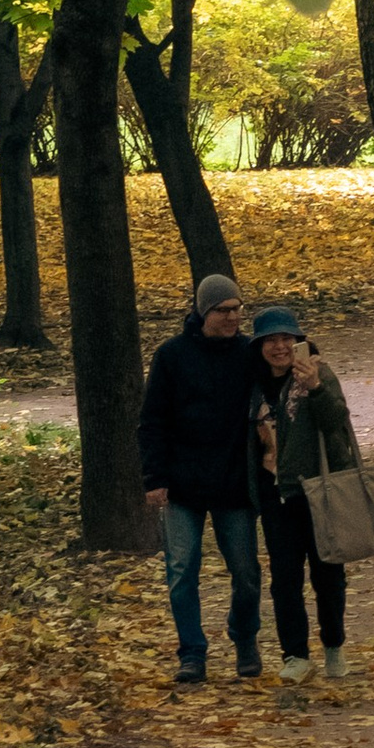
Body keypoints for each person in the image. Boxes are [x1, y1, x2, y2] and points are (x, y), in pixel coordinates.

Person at [140, 273, 263, 685]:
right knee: (181, 571)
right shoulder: (172, 356)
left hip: (233, 483)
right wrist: (154, 477)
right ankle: (192, 652)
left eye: (237, 310)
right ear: (202, 311)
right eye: (223, 310)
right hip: (182, 484)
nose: (232, 318)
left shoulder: (250, 353)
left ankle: (244, 638)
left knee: (246, 573)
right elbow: (152, 419)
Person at [249, 306, 360, 682]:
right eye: (271, 340)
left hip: (317, 490)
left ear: (299, 341)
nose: (280, 347)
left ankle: (334, 647)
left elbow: (336, 422)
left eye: (287, 339)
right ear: (260, 345)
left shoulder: (317, 373)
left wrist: (315, 388)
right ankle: (295, 654)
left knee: (328, 574)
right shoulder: (252, 382)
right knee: (284, 578)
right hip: (275, 493)